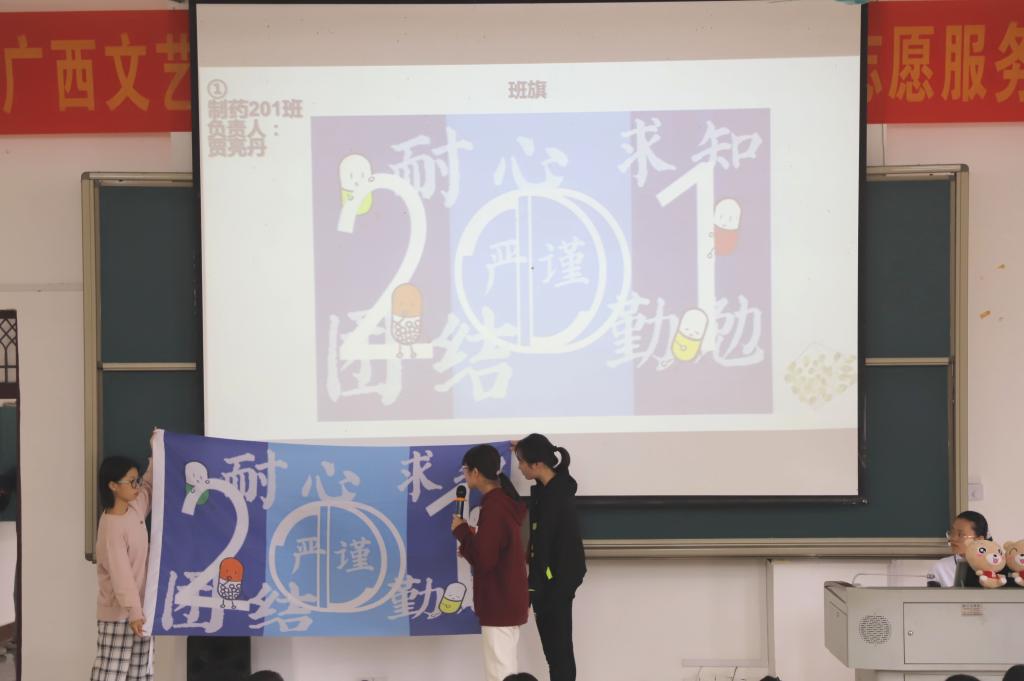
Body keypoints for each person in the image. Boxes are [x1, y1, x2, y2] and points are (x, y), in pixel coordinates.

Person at [452, 444, 529, 681]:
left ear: (475, 472)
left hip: (499, 601)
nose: (465, 475)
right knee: (505, 669)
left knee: (500, 673)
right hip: (506, 599)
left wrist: (462, 531)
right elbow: (491, 549)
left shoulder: (494, 506)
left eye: (466, 470)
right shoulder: (501, 502)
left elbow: (484, 559)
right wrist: (470, 542)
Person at [514, 434, 586, 681]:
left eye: (522, 462)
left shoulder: (553, 498)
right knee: (558, 654)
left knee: (558, 655)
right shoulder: (556, 486)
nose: (519, 467)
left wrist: (532, 589)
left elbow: (542, 548)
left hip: (554, 583)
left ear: (537, 464)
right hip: (556, 579)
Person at [90, 448, 154, 681]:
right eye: (131, 481)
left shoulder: (135, 508)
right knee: (111, 675)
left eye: (136, 480)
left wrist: (156, 453)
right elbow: (121, 577)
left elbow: (149, 486)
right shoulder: (111, 526)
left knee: (140, 674)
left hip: (141, 611)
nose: (137, 486)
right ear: (113, 486)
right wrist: (134, 612)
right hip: (119, 615)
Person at [927, 510, 989, 587]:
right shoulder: (940, 567)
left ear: (979, 540)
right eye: (952, 532)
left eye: (960, 534)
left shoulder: (993, 565)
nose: (953, 538)